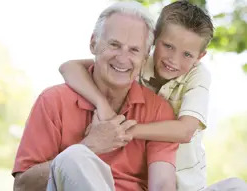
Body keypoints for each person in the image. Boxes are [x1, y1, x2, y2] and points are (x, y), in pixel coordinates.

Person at [59, 1, 247, 191]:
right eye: (168, 46)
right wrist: (102, 105)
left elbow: (185, 131)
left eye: (187, 54)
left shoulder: (197, 76)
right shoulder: (136, 62)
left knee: (237, 186)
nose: (173, 60)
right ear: (154, 39)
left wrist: (124, 130)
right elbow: (68, 67)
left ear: (200, 56)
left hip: (186, 184)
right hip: (145, 180)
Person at [12, 2, 179, 191]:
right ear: (93, 44)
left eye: (134, 50)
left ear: (145, 57)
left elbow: (163, 185)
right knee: (74, 156)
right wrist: (90, 145)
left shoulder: (158, 110)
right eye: (114, 45)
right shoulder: (53, 101)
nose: (122, 58)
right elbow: (22, 186)